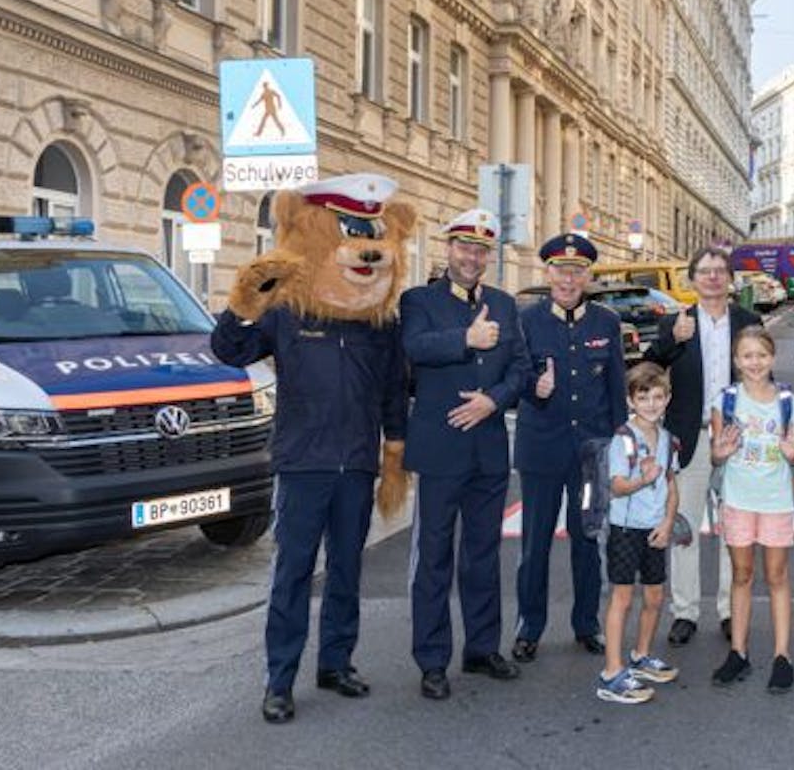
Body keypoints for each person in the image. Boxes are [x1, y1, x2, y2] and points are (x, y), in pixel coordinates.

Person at [208, 174, 412, 724]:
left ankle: (336, 663)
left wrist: (394, 451)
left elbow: (393, 390)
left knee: (347, 569)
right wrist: (244, 301)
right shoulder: (287, 314)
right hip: (302, 464)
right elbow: (229, 351)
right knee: (293, 572)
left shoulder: (379, 325)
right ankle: (280, 680)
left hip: (355, 466)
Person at [401, 208, 532, 700]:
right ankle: (432, 660)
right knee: (433, 558)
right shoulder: (419, 300)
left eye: (480, 250)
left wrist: (493, 401)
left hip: (488, 450)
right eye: (464, 247)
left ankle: (481, 649)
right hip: (440, 452)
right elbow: (415, 347)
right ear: (448, 249)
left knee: (482, 556)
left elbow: (520, 367)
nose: (472, 257)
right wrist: (466, 339)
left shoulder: (503, 302)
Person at [512, 233, 627, 662]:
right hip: (542, 449)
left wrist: (618, 441)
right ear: (548, 273)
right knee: (534, 543)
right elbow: (513, 377)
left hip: (590, 453)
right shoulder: (527, 321)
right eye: (561, 270)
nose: (568, 279)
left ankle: (586, 625)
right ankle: (530, 627)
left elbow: (616, 387)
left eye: (577, 271)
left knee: (586, 541)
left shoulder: (606, 322)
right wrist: (532, 387)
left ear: (588, 276)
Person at [642, 247, 762, 646]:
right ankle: (685, 612)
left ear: (729, 279)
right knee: (686, 527)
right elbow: (650, 368)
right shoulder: (678, 322)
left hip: (734, 437)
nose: (712, 278)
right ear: (693, 280)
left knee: (734, 529)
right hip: (689, 435)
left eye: (719, 271)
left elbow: (762, 373)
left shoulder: (748, 321)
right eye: (705, 271)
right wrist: (672, 343)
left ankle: (730, 609)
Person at [709, 326, 794, 694]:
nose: (755, 363)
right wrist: (719, 452)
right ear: (737, 361)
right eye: (747, 356)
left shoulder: (788, 402)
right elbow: (715, 453)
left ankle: (783, 656)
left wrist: (793, 454)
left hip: (776, 500)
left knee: (777, 576)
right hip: (738, 498)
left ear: (772, 358)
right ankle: (738, 651)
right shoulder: (726, 401)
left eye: (761, 355)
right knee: (741, 574)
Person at [596, 362, 682, 705]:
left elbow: (672, 485)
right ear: (631, 401)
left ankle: (641, 655)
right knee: (622, 597)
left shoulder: (667, 439)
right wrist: (642, 481)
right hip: (625, 528)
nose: (651, 403)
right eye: (643, 397)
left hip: (654, 528)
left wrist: (666, 523)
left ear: (668, 399)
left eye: (657, 397)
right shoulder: (624, 439)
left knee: (655, 596)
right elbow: (616, 487)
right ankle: (611, 672)